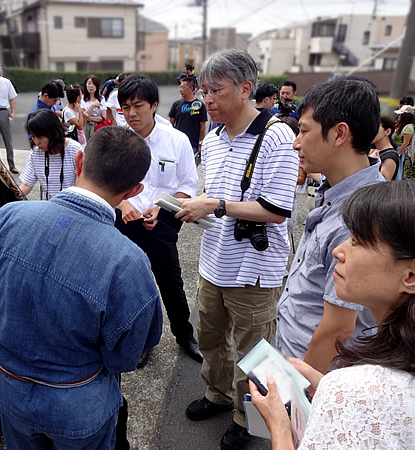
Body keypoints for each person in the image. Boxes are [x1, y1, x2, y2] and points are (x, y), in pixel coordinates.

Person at [0, 125, 163, 449]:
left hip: (12, 393)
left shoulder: (10, 217)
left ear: (79, 162)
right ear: (133, 191)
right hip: (80, 406)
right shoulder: (129, 261)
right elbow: (128, 354)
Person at [176, 49, 298, 450]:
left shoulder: (276, 135)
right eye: (204, 90)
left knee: (254, 351)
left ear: (245, 89)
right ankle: (218, 395)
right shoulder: (211, 139)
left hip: (254, 268)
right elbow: (219, 194)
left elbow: (278, 211)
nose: (206, 99)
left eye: (216, 90)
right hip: (214, 260)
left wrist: (215, 205)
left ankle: (249, 417)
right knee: (210, 338)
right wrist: (201, 205)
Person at [250, 180, 415, 449]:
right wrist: (326, 384)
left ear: (410, 275)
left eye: (358, 241)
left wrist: (279, 425)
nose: (339, 251)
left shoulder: (354, 391)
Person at [276, 78, 386, 377]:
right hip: (296, 353)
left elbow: (338, 329)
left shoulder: (361, 217)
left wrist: (299, 394)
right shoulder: (335, 191)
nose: (296, 142)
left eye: (304, 130)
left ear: (339, 134)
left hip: (313, 375)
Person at [116, 74, 201, 366]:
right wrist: (123, 202)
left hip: (162, 220)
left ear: (154, 105)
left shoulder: (176, 141)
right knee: (133, 286)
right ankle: (142, 340)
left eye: (137, 105)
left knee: (170, 282)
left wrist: (161, 209)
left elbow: (188, 185)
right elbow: (103, 183)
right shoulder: (117, 141)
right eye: (125, 107)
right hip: (123, 222)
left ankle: (184, 335)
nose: (131, 113)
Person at [19, 109, 81, 200]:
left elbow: (84, 186)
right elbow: (26, 184)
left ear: (53, 133)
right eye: (33, 136)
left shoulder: (75, 150)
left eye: (40, 137)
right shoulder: (36, 152)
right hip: (48, 206)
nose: (36, 142)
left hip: (71, 206)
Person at [168, 76, 207, 157]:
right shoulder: (176, 104)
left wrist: (201, 143)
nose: (180, 90)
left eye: (183, 87)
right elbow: (170, 124)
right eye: (180, 87)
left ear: (190, 88)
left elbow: (202, 127)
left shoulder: (200, 106)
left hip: (192, 145)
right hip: (177, 144)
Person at [370, 116, 400, 181]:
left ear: (388, 132)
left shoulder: (389, 157)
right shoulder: (376, 151)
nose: (371, 131)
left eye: (376, 128)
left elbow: (382, 185)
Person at [81, 74, 107, 142]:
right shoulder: (82, 99)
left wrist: (88, 117)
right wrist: (92, 106)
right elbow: (82, 116)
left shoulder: (101, 99)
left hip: (98, 127)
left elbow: (103, 118)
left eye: (93, 84)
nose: (91, 86)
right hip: (85, 127)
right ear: (85, 85)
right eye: (89, 83)